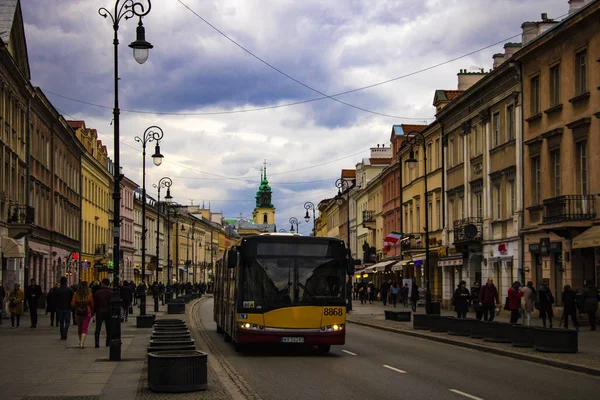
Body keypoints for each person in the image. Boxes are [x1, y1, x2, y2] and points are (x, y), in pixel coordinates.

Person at [71, 281, 94, 349]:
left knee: (79, 327)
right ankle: (82, 343)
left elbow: (72, 304)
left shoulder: (76, 295)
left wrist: (77, 306)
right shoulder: (89, 294)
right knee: (85, 328)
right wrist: (92, 312)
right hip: (87, 313)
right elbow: (92, 304)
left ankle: (80, 340)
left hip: (78, 313)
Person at [93, 279, 112, 348]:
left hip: (99, 311)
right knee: (108, 328)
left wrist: (94, 312)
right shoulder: (110, 292)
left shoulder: (98, 292)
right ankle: (108, 342)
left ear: (103, 284)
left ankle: (97, 342)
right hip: (108, 312)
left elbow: (95, 303)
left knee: (98, 327)